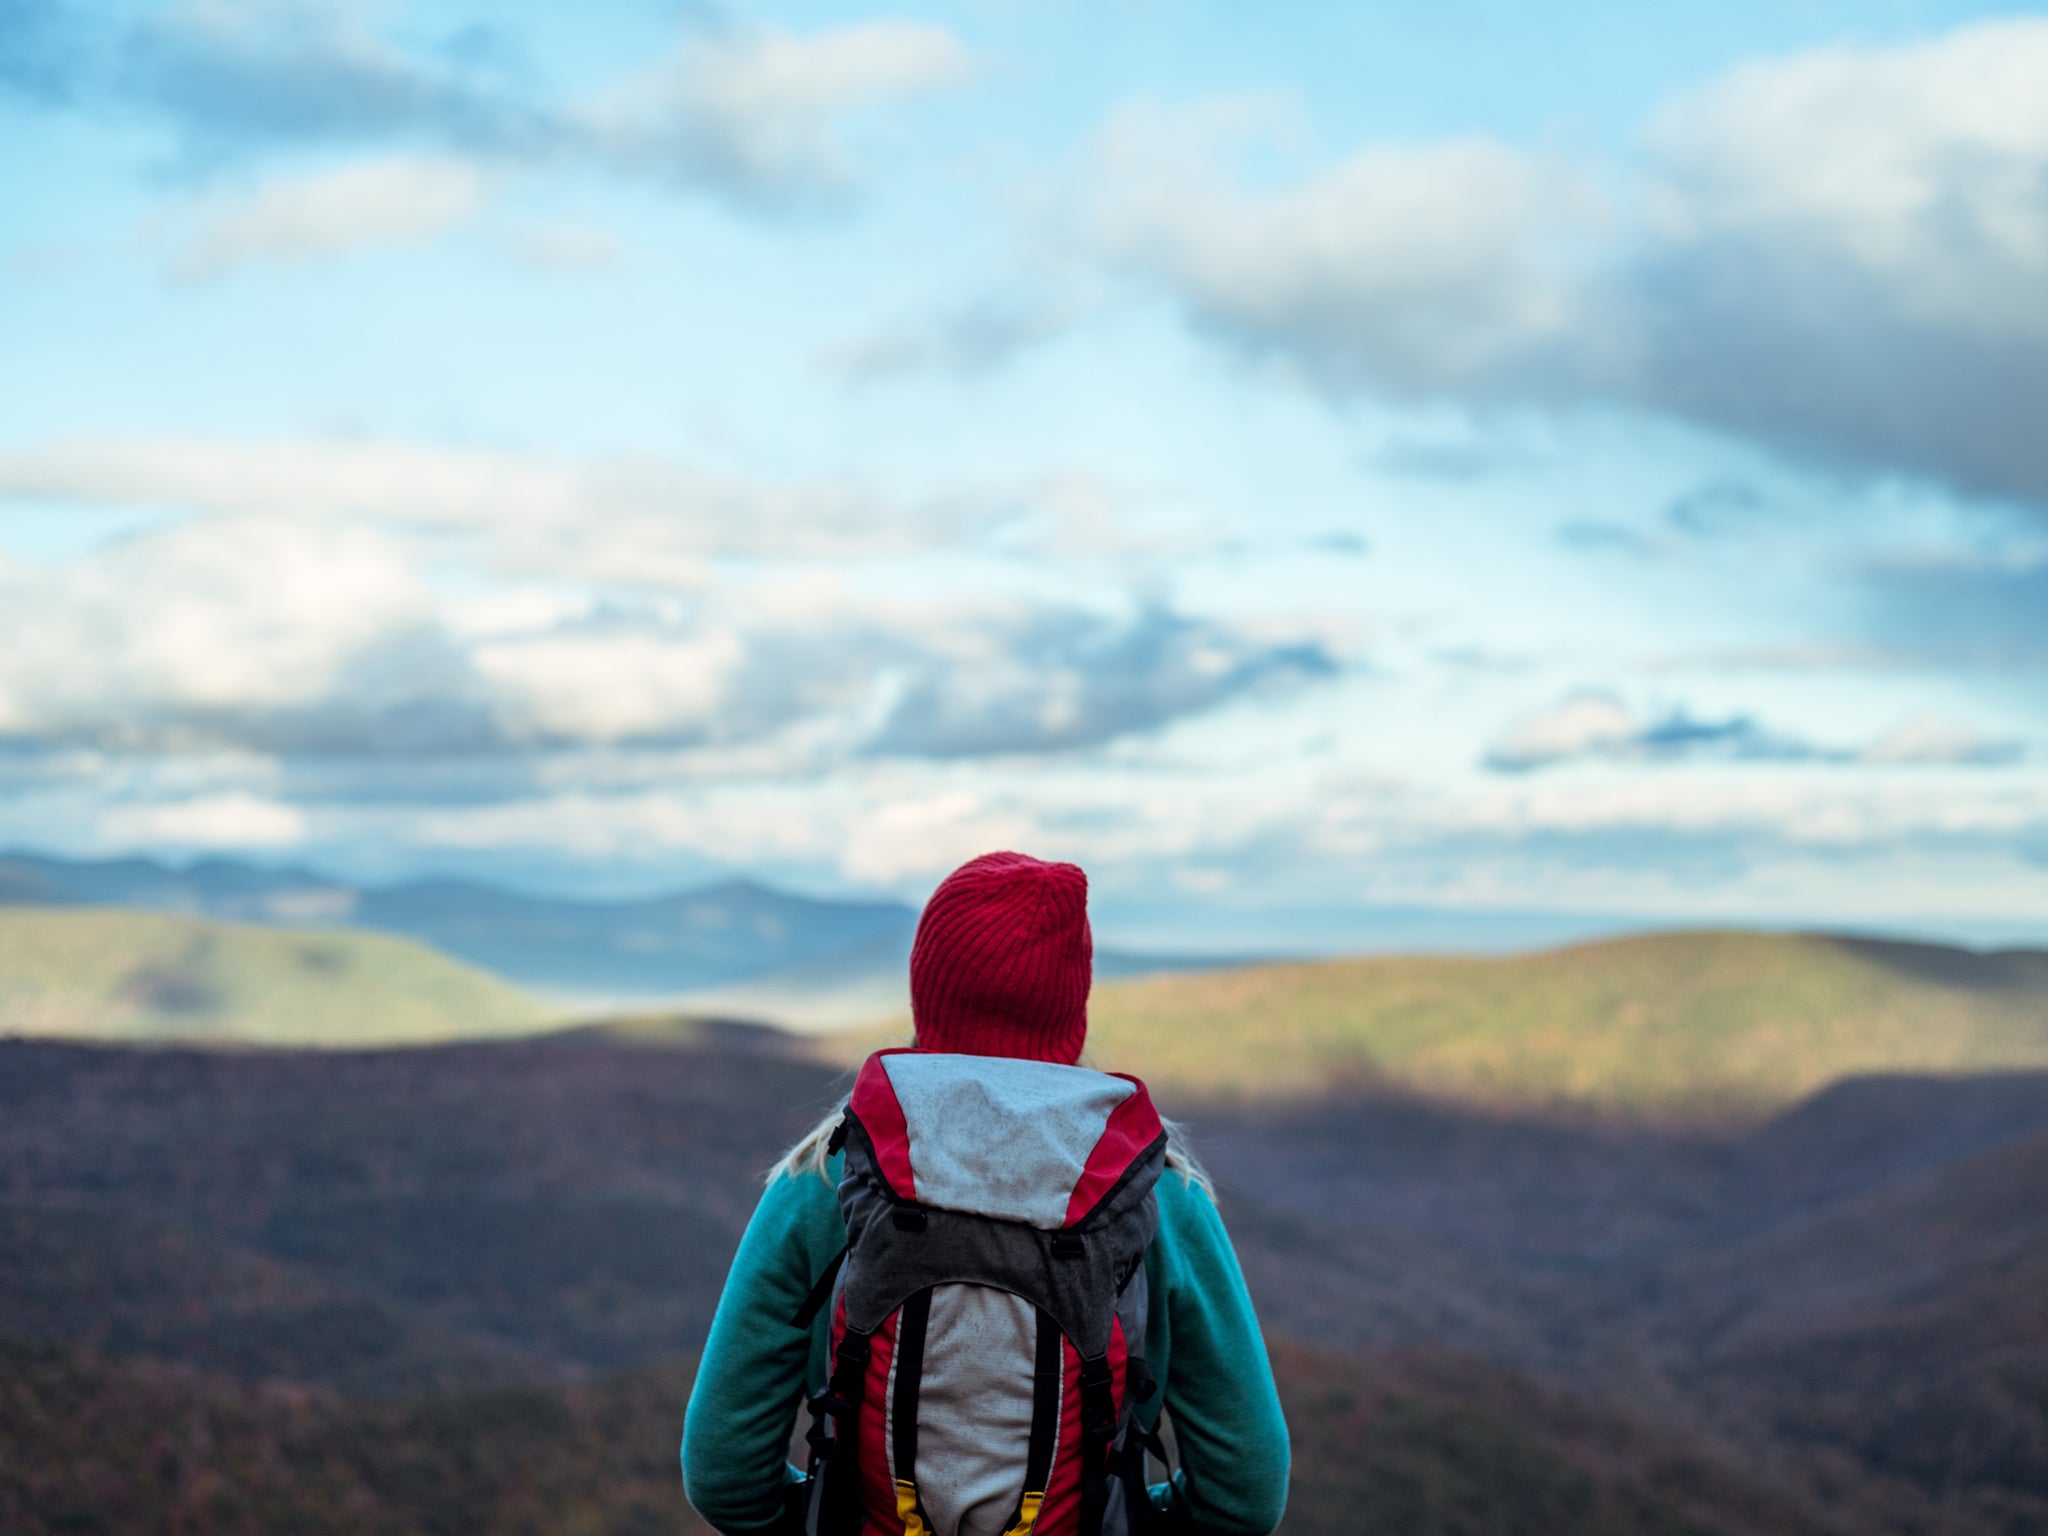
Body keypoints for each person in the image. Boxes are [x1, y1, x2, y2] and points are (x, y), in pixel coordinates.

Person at [682, 851, 1290, 1536]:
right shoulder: (1157, 1199)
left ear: (927, 994)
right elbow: (1246, 1493)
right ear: (1072, 1010)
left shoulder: (828, 1180)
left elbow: (723, 1472)